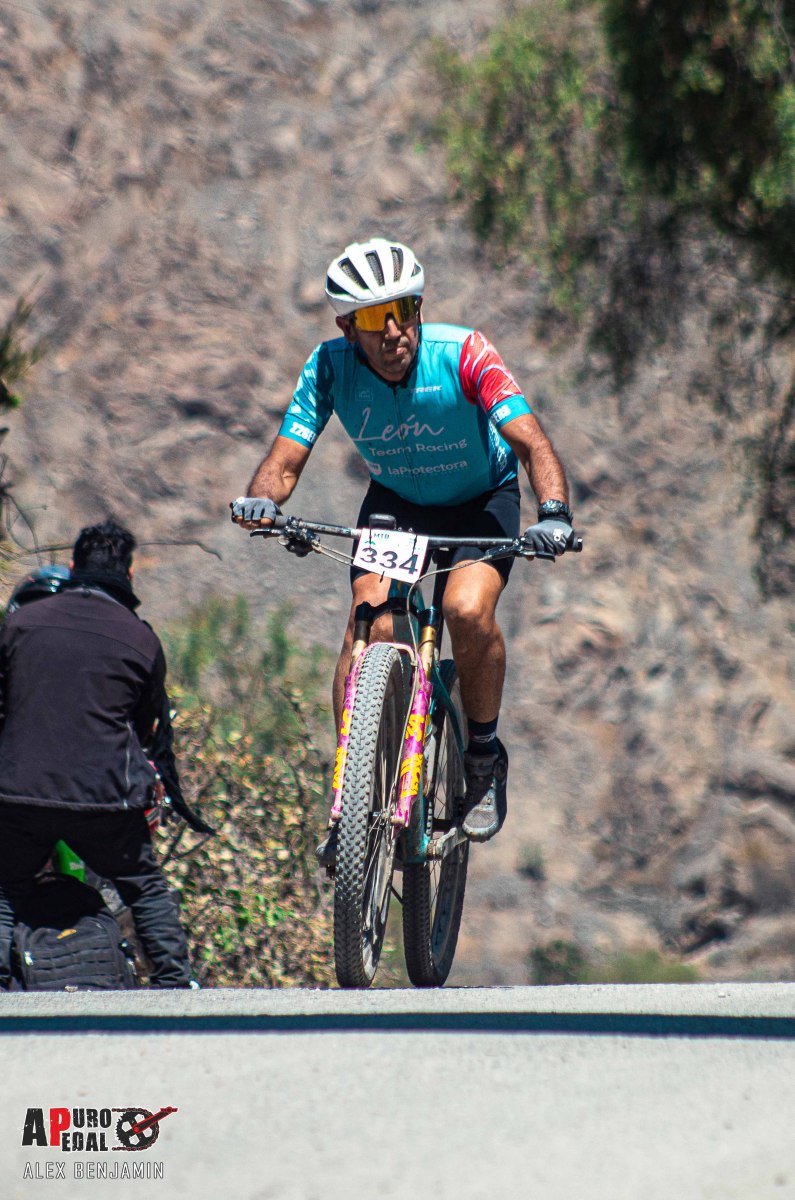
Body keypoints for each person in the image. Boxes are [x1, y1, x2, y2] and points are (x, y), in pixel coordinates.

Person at [231, 236, 577, 860]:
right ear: (347, 327)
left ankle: (483, 757)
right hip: (397, 504)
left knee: (465, 610)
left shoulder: (463, 353)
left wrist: (552, 512)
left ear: (419, 308)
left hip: (481, 499)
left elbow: (530, 442)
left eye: (404, 311)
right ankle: (356, 798)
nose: (393, 331)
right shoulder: (329, 367)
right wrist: (261, 504)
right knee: (368, 622)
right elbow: (283, 464)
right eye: (373, 318)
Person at [0, 519, 205, 988]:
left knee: (4, 888)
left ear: (73, 567)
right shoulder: (140, 639)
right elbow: (148, 727)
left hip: (20, 792)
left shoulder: (19, 624)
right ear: (128, 575)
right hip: (106, 797)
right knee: (143, 886)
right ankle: (175, 984)